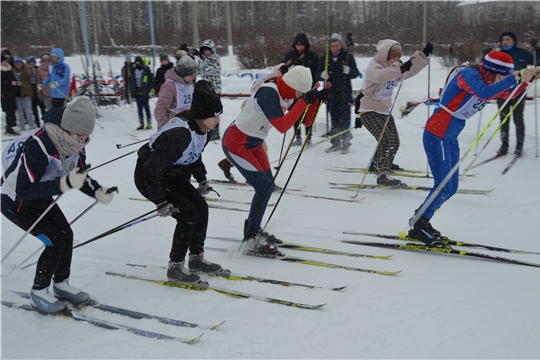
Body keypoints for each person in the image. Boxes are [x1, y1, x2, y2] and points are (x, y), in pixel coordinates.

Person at [1, 97, 117, 314]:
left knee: (67, 234)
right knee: (55, 240)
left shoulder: (75, 145)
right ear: (67, 130)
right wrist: (63, 184)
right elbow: (23, 190)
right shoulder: (37, 146)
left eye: (87, 136)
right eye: (81, 136)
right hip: (15, 202)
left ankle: (61, 284)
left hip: (40, 198)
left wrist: (99, 192)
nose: (84, 141)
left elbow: (78, 176)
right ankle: (38, 291)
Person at [408, 51, 534, 247]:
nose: (500, 81)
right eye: (500, 76)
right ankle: (417, 226)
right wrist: (512, 78)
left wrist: (526, 81)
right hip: (436, 134)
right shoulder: (468, 75)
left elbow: (507, 94)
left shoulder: (489, 81)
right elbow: (483, 92)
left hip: (449, 137)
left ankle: (422, 218)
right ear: (492, 71)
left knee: (451, 187)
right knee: (442, 185)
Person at [221, 66, 328, 255]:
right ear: (292, 86)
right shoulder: (269, 92)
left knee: (267, 187)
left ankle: (253, 229)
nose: (299, 95)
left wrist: (316, 101)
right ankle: (252, 236)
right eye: (299, 92)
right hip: (236, 143)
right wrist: (304, 101)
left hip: (254, 143)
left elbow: (305, 122)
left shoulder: (288, 92)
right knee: (263, 188)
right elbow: (282, 126)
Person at [134, 80, 227, 284]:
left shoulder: (203, 129)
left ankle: (196, 259)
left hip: (171, 173)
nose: (218, 120)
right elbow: (152, 168)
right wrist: (160, 200)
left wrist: (201, 179)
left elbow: (194, 154)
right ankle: (175, 266)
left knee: (201, 208)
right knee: (188, 214)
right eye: (214, 115)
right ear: (202, 114)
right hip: (150, 176)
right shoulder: (180, 134)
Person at [358, 39, 431, 186]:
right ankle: (382, 174)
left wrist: (422, 56)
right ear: (385, 55)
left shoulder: (393, 68)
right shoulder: (375, 66)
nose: (395, 61)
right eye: (393, 57)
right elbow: (381, 76)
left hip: (384, 111)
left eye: (398, 58)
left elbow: (409, 71)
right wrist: (400, 67)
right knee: (386, 140)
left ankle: (379, 163)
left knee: (394, 141)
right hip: (369, 111)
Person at [317, 33, 359, 154]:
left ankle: (346, 142)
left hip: (344, 93)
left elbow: (355, 73)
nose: (335, 47)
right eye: (333, 45)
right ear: (330, 47)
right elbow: (317, 73)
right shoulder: (325, 58)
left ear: (340, 45)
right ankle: (335, 143)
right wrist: (321, 75)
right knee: (334, 120)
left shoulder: (347, 57)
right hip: (331, 94)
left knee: (345, 120)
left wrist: (349, 71)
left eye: (337, 45)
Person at [495, 30, 534, 157]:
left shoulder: (523, 53)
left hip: (518, 91)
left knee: (518, 119)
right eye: (503, 40)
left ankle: (519, 145)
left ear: (513, 40)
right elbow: (488, 68)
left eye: (507, 39)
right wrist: (485, 57)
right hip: (502, 91)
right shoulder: (498, 55)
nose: (505, 42)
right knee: (503, 119)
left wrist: (537, 49)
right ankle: (504, 145)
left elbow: (537, 62)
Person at [283, 32, 319, 146]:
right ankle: (297, 137)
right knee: (295, 113)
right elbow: (284, 70)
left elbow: (316, 72)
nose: (300, 46)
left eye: (302, 44)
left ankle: (309, 138)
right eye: (297, 44)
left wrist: (315, 84)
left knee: (309, 114)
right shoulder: (290, 55)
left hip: (309, 89)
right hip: (294, 90)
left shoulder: (312, 56)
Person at [154, 50, 197, 129]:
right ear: (183, 73)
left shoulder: (190, 83)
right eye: (191, 74)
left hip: (187, 125)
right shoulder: (170, 86)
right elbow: (160, 109)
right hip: (172, 126)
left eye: (194, 73)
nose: (194, 77)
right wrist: (165, 127)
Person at [195, 39, 222, 141]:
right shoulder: (202, 59)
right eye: (204, 50)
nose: (206, 52)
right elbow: (199, 71)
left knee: (215, 112)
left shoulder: (215, 59)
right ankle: (208, 130)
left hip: (215, 89)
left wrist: (202, 60)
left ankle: (215, 132)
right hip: (205, 89)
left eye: (208, 50)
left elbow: (209, 71)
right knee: (206, 111)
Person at [131, 56, 154, 130]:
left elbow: (151, 81)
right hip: (137, 91)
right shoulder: (133, 70)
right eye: (136, 62)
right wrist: (132, 92)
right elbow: (131, 81)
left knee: (146, 108)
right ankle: (141, 123)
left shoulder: (146, 69)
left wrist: (147, 90)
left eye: (139, 62)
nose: (138, 63)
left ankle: (149, 122)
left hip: (144, 92)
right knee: (139, 109)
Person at [12, 57, 35, 130]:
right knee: (20, 111)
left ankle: (31, 124)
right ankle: (21, 125)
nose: (18, 65)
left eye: (19, 64)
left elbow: (30, 74)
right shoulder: (13, 70)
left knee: (28, 110)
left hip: (26, 92)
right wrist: (15, 83)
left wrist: (22, 83)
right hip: (17, 93)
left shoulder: (26, 69)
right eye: (16, 64)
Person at [1, 53, 19, 135]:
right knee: (8, 111)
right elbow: (2, 83)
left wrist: (16, 83)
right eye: (3, 61)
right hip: (5, 94)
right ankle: (9, 128)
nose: (5, 63)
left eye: (5, 61)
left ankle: (10, 126)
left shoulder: (9, 69)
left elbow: (12, 78)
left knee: (12, 111)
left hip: (12, 94)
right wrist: (10, 83)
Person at [26, 56, 46, 127]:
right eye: (30, 62)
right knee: (34, 109)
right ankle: (37, 123)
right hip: (30, 89)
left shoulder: (38, 69)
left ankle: (45, 121)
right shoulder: (26, 70)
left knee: (42, 107)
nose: (32, 64)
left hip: (38, 88)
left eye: (33, 62)